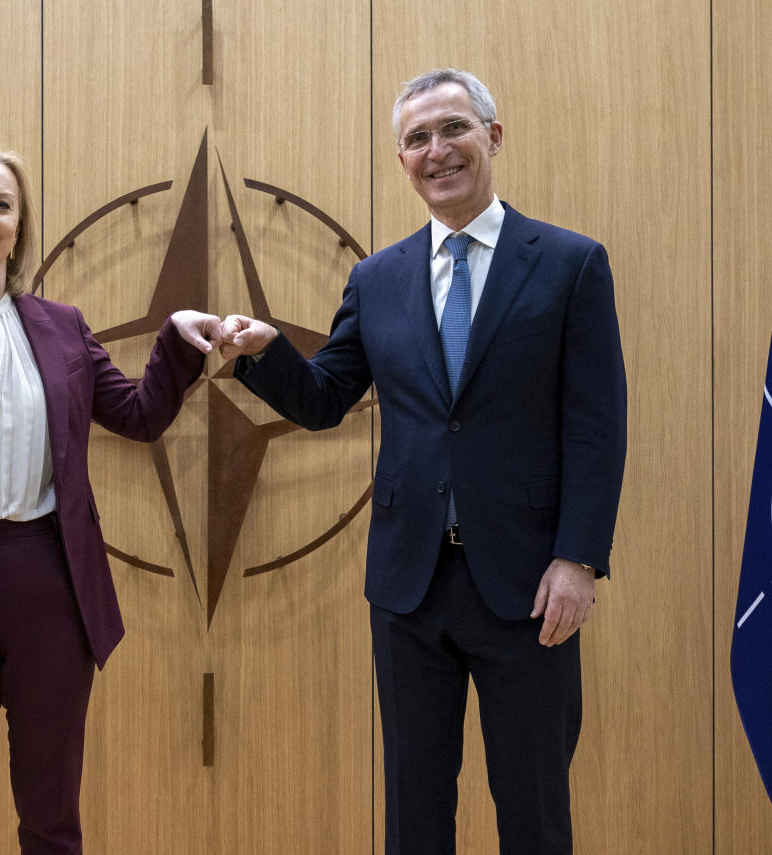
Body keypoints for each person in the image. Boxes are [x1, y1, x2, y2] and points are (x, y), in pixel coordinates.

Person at [220, 69, 626, 854]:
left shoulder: (572, 264)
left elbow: (598, 426)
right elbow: (325, 398)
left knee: (534, 812)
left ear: (493, 136)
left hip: (530, 589)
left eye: (453, 129)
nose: (436, 151)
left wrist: (578, 558)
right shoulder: (378, 279)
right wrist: (265, 354)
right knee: (413, 816)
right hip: (409, 590)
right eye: (416, 139)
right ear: (401, 160)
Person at [0, 142, 221, 855]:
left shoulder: (63, 328)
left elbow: (140, 415)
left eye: (1, 204)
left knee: (52, 817)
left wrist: (178, 342)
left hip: (48, 582)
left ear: (20, 226)